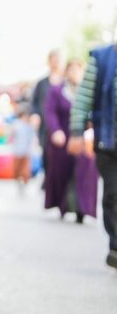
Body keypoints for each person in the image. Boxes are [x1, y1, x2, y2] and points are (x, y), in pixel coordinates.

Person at [68, 44, 117, 270]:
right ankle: (116, 246)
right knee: (113, 194)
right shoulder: (102, 57)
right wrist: (77, 132)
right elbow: (83, 98)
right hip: (108, 141)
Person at [44, 60, 98, 224]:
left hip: (85, 139)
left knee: (85, 175)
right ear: (66, 72)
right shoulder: (57, 90)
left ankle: (83, 209)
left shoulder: (88, 91)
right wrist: (55, 131)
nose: (74, 73)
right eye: (71, 70)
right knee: (63, 173)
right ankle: (63, 205)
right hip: (63, 138)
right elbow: (50, 111)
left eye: (77, 70)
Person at [32, 50, 64, 188]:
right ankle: (49, 178)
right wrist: (35, 115)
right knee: (46, 152)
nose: (55, 62)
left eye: (58, 59)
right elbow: (34, 103)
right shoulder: (41, 83)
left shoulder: (65, 82)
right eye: (53, 59)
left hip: (62, 125)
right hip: (45, 126)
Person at [10, 104, 36, 193]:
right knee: (16, 169)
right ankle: (18, 181)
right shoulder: (16, 124)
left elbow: (32, 137)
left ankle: (24, 182)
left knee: (25, 170)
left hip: (26, 151)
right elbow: (12, 135)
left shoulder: (29, 126)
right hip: (17, 151)